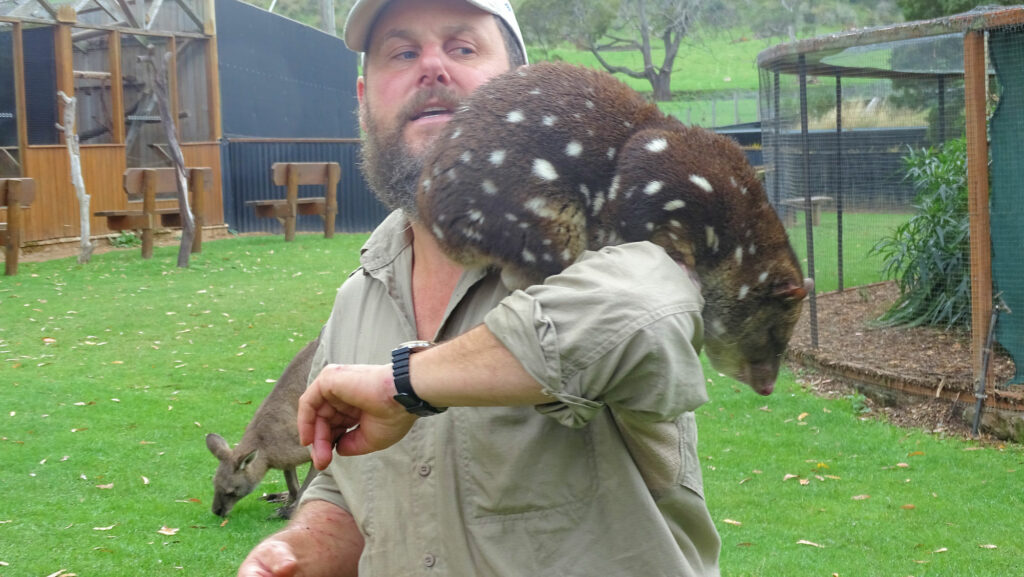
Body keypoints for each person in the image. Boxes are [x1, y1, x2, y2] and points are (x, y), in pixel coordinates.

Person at [237, 0, 722, 575]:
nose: (432, 67)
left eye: (462, 47)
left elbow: (643, 317)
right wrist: (302, 547)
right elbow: (346, 488)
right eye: (403, 51)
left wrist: (405, 384)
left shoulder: (608, 224)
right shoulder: (360, 297)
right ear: (366, 101)